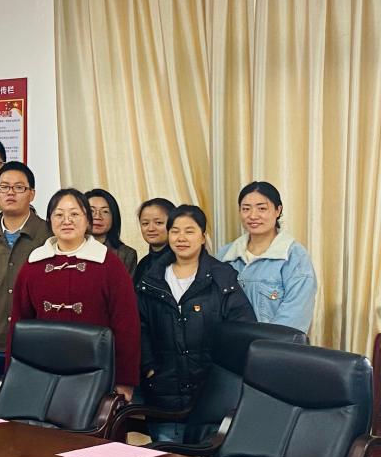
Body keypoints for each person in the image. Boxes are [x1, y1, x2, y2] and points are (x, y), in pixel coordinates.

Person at [136, 205, 256, 442]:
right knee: (167, 454)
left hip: (213, 391)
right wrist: (149, 367)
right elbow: (139, 327)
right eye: (175, 231)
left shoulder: (222, 277)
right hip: (163, 390)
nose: (181, 238)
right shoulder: (151, 278)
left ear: (203, 237)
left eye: (189, 231)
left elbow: (243, 330)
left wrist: (226, 377)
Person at [11, 188, 140, 400]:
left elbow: (127, 324)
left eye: (74, 214)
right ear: (49, 220)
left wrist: (125, 380)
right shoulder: (33, 264)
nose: (67, 221)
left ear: (87, 220)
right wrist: (13, 372)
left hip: (96, 372)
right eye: (59, 214)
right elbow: (19, 322)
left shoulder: (109, 264)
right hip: (42, 371)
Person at [0, 162, 52, 397]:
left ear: (32, 194)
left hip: (38, 340)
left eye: (19, 187)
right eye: (4, 187)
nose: (10, 193)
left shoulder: (49, 236)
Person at [217, 181, 317, 333]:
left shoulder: (294, 257)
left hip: (274, 346)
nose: (253, 216)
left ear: (278, 210)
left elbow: (294, 319)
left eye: (262, 208)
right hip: (230, 345)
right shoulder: (225, 255)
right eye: (246, 209)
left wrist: (261, 345)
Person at [86, 188, 139, 277]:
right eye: (91, 211)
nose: (97, 216)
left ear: (114, 217)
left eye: (105, 211)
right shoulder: (70, 249)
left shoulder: (126, 254)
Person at [134, 198, 176, 286]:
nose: (151, 229)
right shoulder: (143, 264)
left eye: (158, 223)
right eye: (145, 223)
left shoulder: (181, 261)